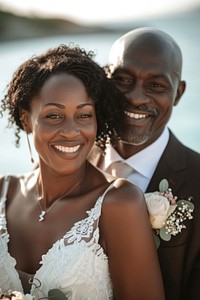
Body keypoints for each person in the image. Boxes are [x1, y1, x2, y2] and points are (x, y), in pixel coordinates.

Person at [0, 44, 165, 299]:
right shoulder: (3, 191)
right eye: (54, 115)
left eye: (84, 115)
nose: (70, 131)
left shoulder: (119, 202)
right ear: (25, 118)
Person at [89, 27, 200, 300]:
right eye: (123, 79)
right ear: (105, 79)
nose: (135, 97)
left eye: (156, 85)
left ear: (178, 93)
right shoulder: (69, 160)